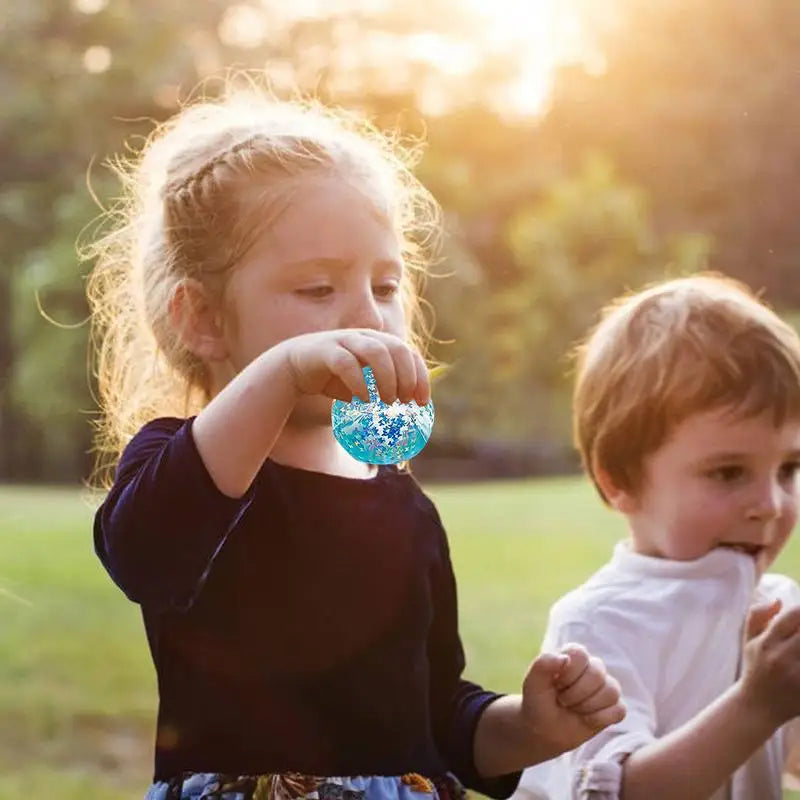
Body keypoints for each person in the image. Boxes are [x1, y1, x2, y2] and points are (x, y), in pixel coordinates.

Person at [84, 83, 625, 800]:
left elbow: (434, 717)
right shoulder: (182, 470)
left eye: (387, 283)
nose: (368, 315)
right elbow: (145, 555)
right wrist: (282, 374)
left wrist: (528, 727)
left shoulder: (402, 505)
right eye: (317, 290)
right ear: (204, 319)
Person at [515, 274, 800, 800]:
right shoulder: (600, 625)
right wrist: (757, 703)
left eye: (788, 469)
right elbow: (615, 791)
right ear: (619, 480)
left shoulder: (778, 608)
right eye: (729, 472)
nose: (771, 504)